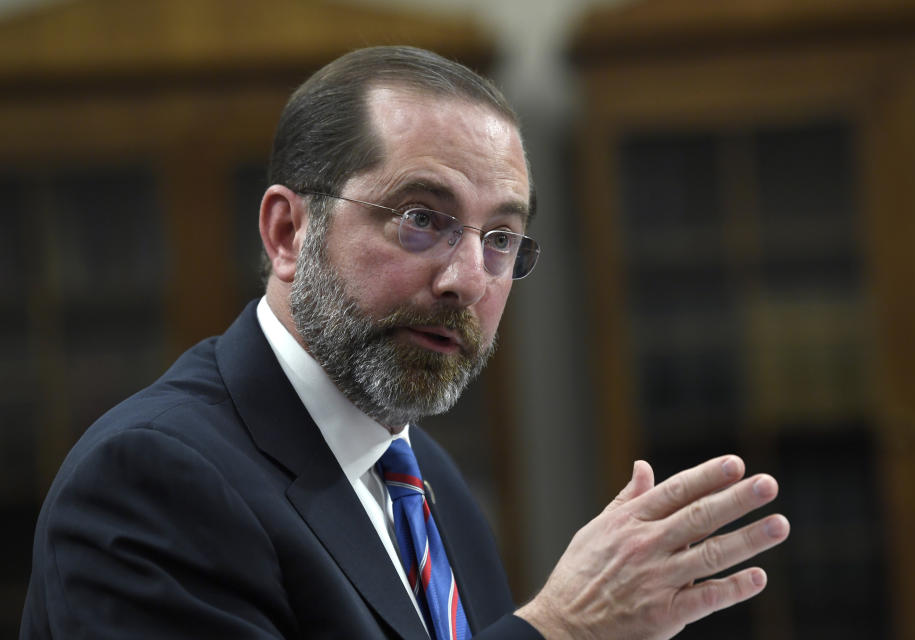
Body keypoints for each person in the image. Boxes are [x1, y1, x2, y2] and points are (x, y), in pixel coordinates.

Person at [20, 46, 789, 639]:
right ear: (289, 234)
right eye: (421, 217)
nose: (466, 280)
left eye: (501, 238)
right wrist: (560, 627)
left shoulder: (429, 485)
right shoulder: (153, 479)